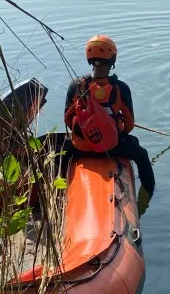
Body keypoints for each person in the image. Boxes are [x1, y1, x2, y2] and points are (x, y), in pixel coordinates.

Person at [52, 35, 155, 196]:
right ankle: (150, 194)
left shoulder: (76, 86)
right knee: (142, 155)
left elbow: (67, 119)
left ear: (89, 59)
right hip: (112, 146)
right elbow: (129, 126)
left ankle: (58, 193)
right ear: (113, 59)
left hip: (81, 147)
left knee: (60, 154)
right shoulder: (121, 88)